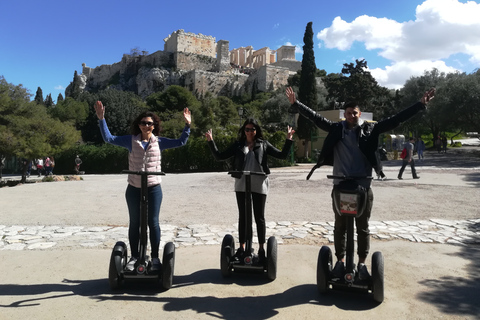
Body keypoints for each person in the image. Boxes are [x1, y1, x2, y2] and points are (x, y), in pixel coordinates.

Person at [285, 86, 435, 280]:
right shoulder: (336, 128)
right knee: (340, 226)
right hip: (340, 185)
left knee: (362, 227)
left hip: (363, 186)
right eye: (348, 113)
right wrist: (296, 104)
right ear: (344, 114)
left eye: (354, 113)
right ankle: (340, 261)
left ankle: (362, 264)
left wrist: (420, 105)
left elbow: (395, 120)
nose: (351, 116)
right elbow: (315, 118)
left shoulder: (370, 128)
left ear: (360, 113)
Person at [94, 100, 191, 272]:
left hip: (153, 188)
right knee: (135, 223)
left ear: (154, 126)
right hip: (134, 188)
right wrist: (101, 119)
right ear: (139, 125)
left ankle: (154, 258)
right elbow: (109, 138)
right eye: (143, 123)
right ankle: (133, 257)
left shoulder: (159, 142)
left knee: (153, 223)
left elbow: (181, 142)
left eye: (150, 123)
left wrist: (187, 125)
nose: (146, 126)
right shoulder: (130, 141)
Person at [205, 118, 294, 262]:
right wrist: (211, 141)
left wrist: (288, 139)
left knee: (259, 217)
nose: (250, 132)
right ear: (244, 131)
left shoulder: (263, 144)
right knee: (243, 216)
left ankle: (261, 248)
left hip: (259, 182)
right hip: (242, 183)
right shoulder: (238, 145)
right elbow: (219, 156)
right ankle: (242, 248)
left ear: (256, 130)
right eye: (247, 129)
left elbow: (282, 155)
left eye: (252, 129)